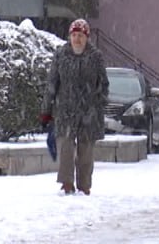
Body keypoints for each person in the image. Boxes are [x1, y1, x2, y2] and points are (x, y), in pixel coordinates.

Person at [40, 18, 108, 195]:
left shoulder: (96, 57)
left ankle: (84, 185)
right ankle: (66, 182)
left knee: (86, 151)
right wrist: (46, 110)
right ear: (70, 36)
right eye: (74, 35)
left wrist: (98, 103)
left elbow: (103, 84)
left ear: (86, 38)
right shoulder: (61, 55)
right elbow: (52, 83)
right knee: (66, 149)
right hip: (65, 111)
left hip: (89, 112)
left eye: (80, 36)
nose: (77, 39)